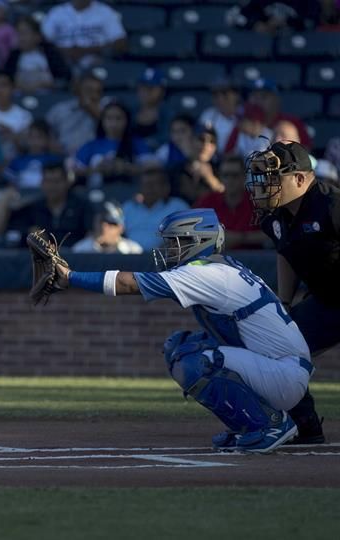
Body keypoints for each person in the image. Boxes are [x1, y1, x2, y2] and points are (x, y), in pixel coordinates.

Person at [32, 208, 312, 453]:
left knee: (195, 362)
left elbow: (129, 284)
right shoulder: (220, 267)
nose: (168, 249)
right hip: (277, 368)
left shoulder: (207, 272)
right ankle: (248, 423)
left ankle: (271, 425)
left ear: (199, 241)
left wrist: (71, 277)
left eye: (176, 242)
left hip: (283, 374)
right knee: (179, 347)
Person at [246, 140, 340, 444]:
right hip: (326, 302)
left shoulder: (331, 205)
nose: (264, 184)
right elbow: (285, 253)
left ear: (300, 178)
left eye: (273, 177)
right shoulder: (275, 214)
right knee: (275, 347)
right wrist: (283, 303)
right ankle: (305, 425)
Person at [194, 155, 267, 250]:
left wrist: (239, 238)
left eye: (235, 175)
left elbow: (271, 235)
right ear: (220, 177)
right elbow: (193, 232)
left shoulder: (258, 201)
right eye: (226, 175)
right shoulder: (207, 202)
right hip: (215, 260)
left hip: (253, 260)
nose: (230, 180)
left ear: (244, 177)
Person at [10, 159, 89, 246]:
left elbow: (90, 235)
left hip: (76, 256)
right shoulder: (32, 208)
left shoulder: (82, 206)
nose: (52, 186)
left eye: (56, 181)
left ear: (67, 182)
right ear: (42, 183)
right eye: (48, 181)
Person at [41, 0, 127, 67]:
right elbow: (42, 40)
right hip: (62, 61)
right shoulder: (56, 12)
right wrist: (63, 52)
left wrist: (86, 51)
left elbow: (120, 42)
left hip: (96, 60)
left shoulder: (105, 11)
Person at [122, 167, 189, 251]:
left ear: (166, 187)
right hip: (128, 259)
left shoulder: (178, 206)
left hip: (166, 259)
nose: (149, 189)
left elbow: (186, 235)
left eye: (154, 184)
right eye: (146, 184)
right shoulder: (128, 207)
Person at [3, 15, 70, 95]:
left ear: (37, 36)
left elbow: (64, 79)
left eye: (24, 33)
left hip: (49, 97)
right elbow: (5, 80)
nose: (20, 38)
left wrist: (46, 84)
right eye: (18, 33)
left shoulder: (51, 54)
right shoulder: (13, 56)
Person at [45, 69, 105, 156]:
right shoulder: (60, 109)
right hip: (62, 156)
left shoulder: (105, 109)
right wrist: (51, 143)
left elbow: (108, 125)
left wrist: (89, 107)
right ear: (78, 90)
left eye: (98, 91)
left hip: (92, 157)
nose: (94, 95)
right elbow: (44, 130)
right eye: (89, 90)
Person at [71, 201, 142, 254]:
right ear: (94, 223)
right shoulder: (80, 250)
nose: (104, 227)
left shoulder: (133, 251)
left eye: (111, 223)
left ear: (121, 228)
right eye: (101, 221)